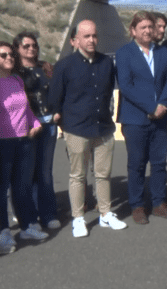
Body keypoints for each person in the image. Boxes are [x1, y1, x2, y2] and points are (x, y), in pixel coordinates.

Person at [49, 20, 127, 237]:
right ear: (76, 40)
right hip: (76, 129)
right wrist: (64, 124)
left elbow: (109, 91)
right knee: (78, 176)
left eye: (94, 36)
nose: (92, 40)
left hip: (103, 128)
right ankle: (78, 218)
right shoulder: (64, 66)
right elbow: (56, 98)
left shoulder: (106, 63)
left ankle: (105, 214)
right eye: (86, 36)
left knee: (103, 175)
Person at [116, 11, 167, 224]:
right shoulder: (124, 53)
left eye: (150, 27)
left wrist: (162, 105)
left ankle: (159, 203)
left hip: (160, 118)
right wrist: (151, 107)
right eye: (142, 27)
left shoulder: (161, 52)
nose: (147, 30)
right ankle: (137, 205)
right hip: (135, 119)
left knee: (160, 163)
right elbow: (126, 86)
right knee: (137, 164)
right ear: (133, 30)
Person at [0, 41, 46, 254]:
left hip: (24, 141)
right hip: (3, 143)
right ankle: (4, 233)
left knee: (22, 186)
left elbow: (25, 108)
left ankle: (28, 226)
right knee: (1, 191)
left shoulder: (17, 79)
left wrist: (35, 123)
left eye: (10, 54)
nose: (9, 58)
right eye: (3, 55)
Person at [13, 32, 59, 229]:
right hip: (25, 128)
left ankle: (48, 214)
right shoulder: (13, 72)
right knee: (26, 173)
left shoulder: (45, 68)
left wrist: (57, 112)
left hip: (48, 124)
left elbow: (57, 91)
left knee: (45, 172)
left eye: (34, 46)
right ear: (17, 49)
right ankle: (29, 215)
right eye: (26, 46)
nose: (31, 49)